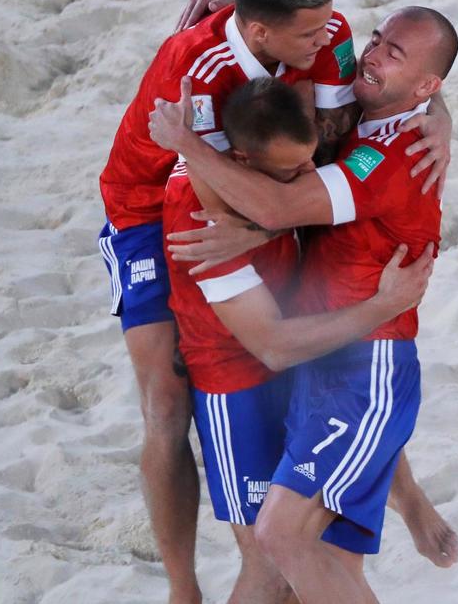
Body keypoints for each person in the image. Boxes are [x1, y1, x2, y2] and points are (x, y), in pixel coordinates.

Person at [97, 0, 452, 603]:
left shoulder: (327, 37)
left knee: (312, 414)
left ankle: (385, 505)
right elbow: (224, 202)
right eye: (313, 32)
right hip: (148, 209)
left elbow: (405, 78)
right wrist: (283, 228)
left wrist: (440, 118)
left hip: (252, 213)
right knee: (169, 402)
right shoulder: (195, 80)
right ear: (262, 33)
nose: (336, 38)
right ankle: (183, 589)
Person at [164, 77, 437, 604]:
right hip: (239, 387)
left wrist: (439, 116)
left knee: (316, 557)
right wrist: (383, 305)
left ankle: (410, 499)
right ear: (242, 161)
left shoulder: (278, 167)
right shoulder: (195, 211)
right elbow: (274, 345)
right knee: (271, 567)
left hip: (303, 368)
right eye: (292, 170)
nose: (309, 174)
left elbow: (414, 77)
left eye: (311, 158)